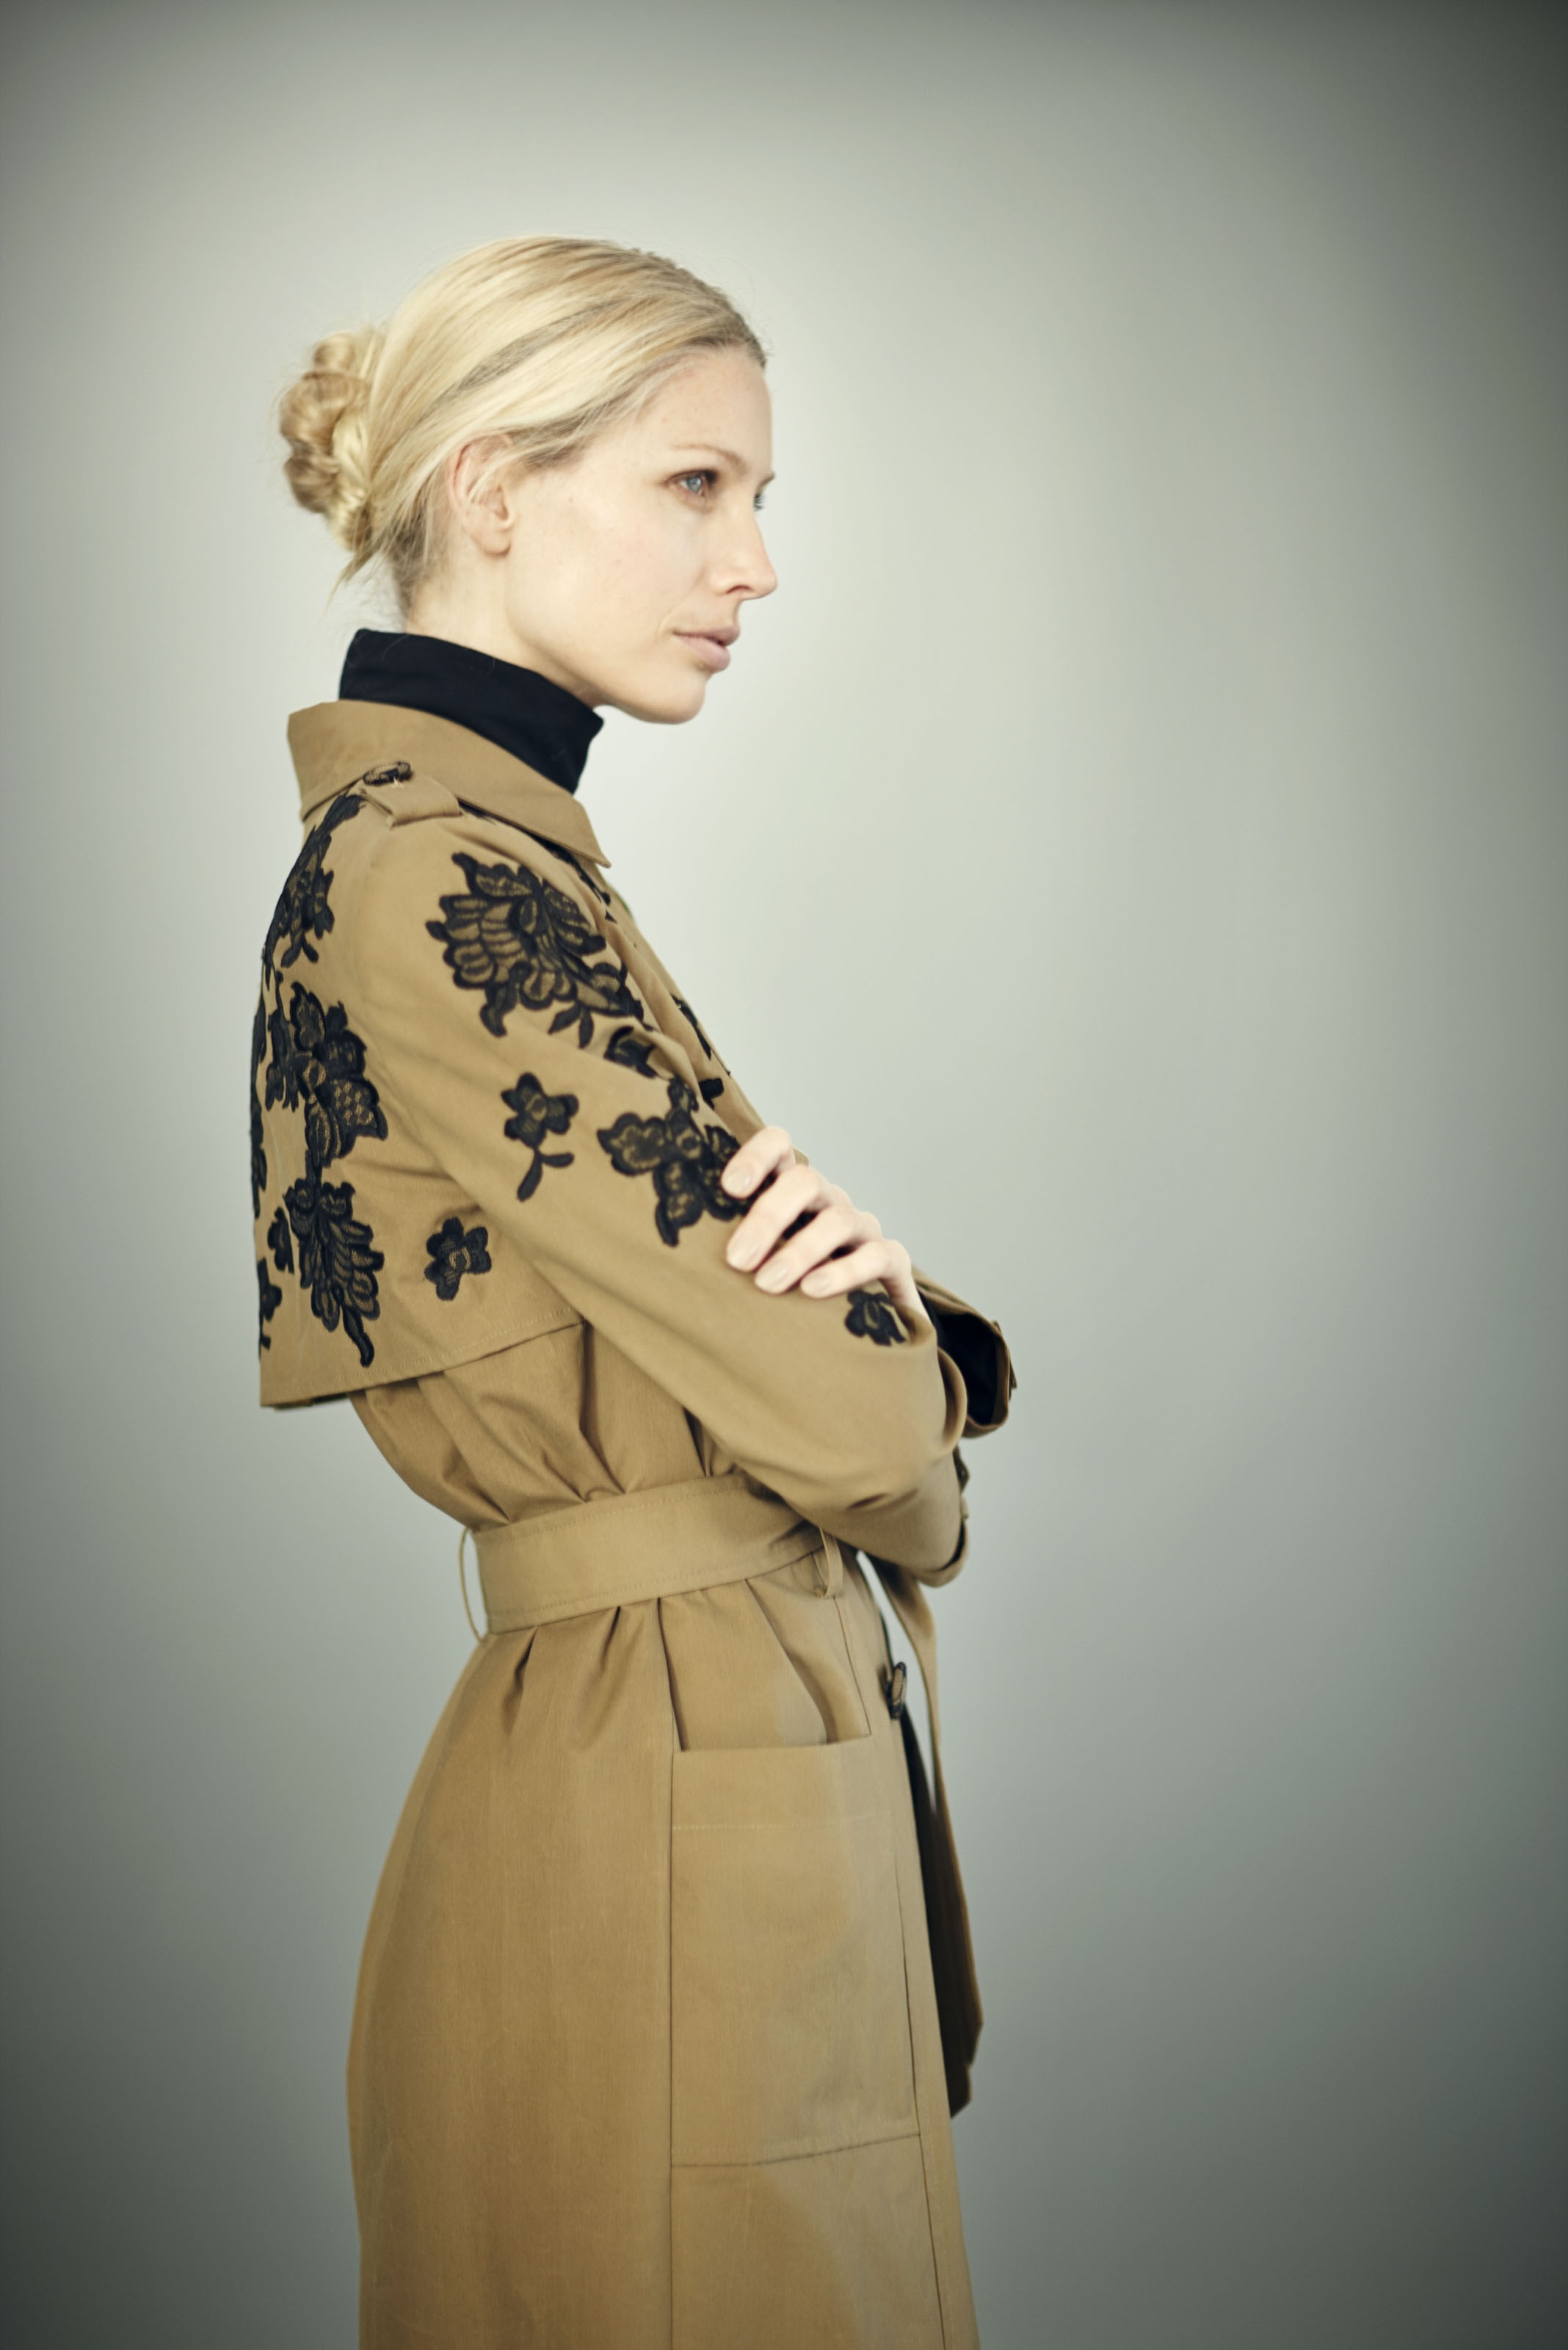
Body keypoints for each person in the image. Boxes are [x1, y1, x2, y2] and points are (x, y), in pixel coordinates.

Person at [258, 233, 1017, 2349]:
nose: (753, 563)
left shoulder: (492, 853)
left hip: (689, 1747)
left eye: (755, 497)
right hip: (658, 1769)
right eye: (698, 485)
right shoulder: (439, 870)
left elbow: (842, 1396)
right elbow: (865, 1436)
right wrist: (905, 1364)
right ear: (494, 490)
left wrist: (882, 1342)